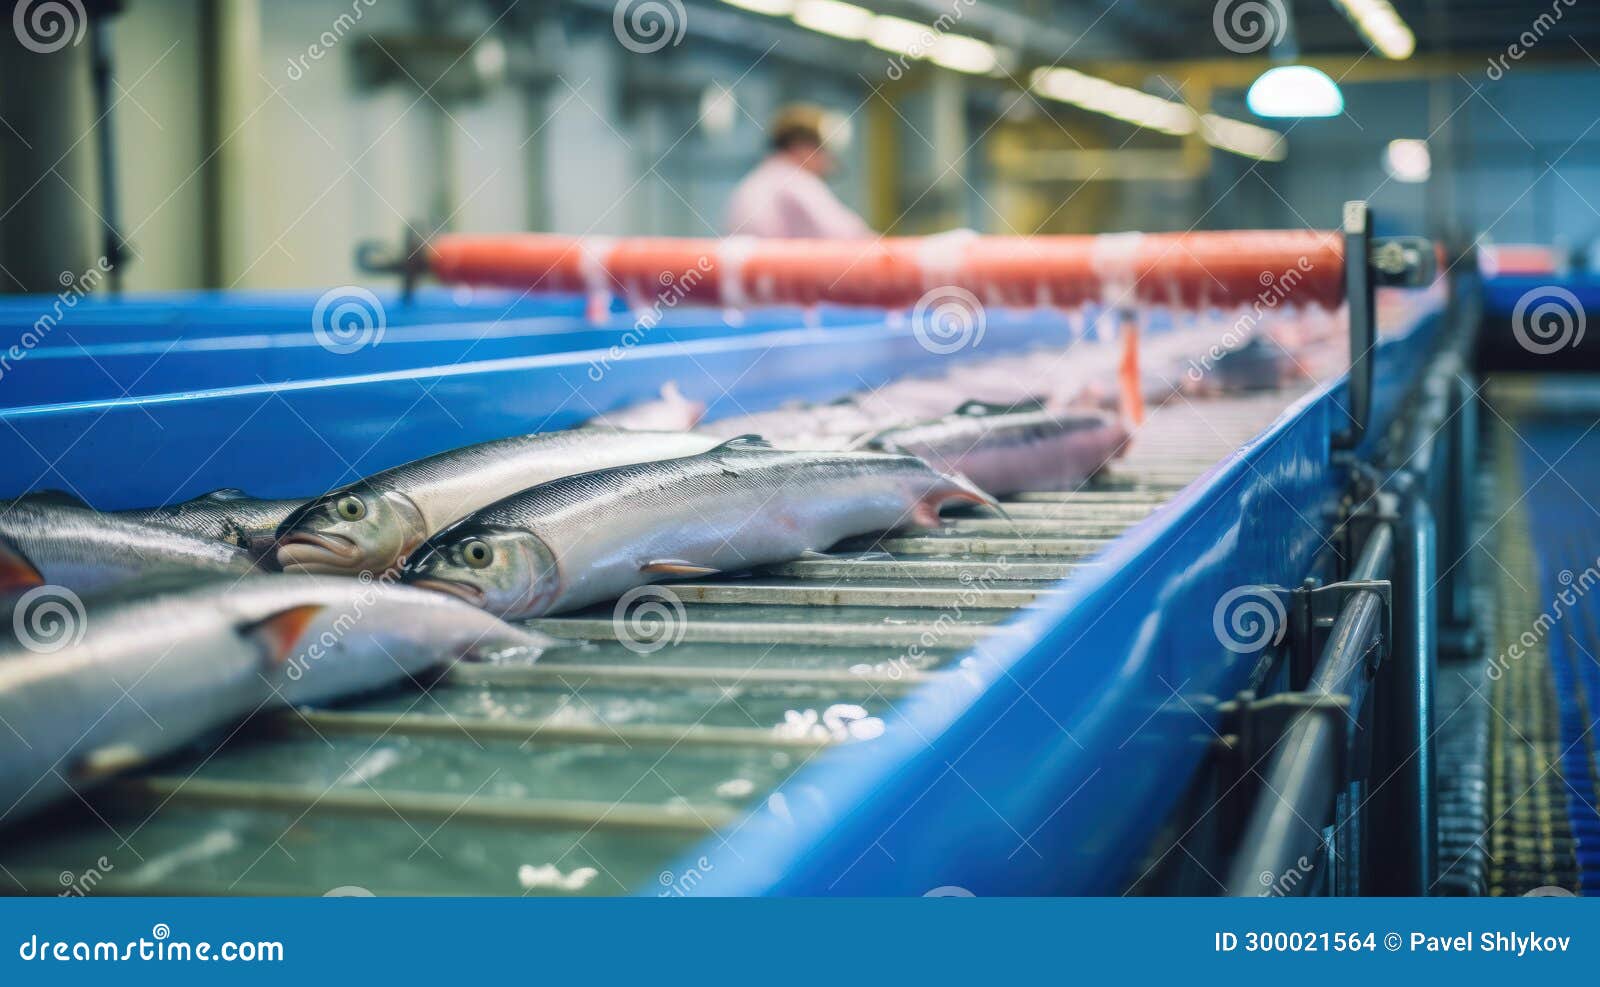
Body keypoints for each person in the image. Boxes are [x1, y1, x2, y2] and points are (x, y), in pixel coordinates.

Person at [725, 104, 871, 239]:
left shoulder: (756, 181)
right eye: (824, 150)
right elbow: (848, 234)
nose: (827, 161)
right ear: (803, 147)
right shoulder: (796, 182)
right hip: (776, 265)